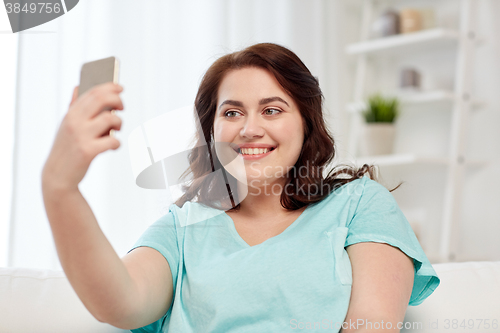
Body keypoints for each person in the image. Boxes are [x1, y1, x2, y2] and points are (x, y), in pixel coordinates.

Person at [42, 43, 439, 332]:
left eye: (272, 109)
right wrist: (61, 187)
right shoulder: (182, 227)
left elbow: (371, 327)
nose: (250, 129)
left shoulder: (358, 205)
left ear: (306, 123)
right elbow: (120, 302)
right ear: (212, 131)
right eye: (232, 112)